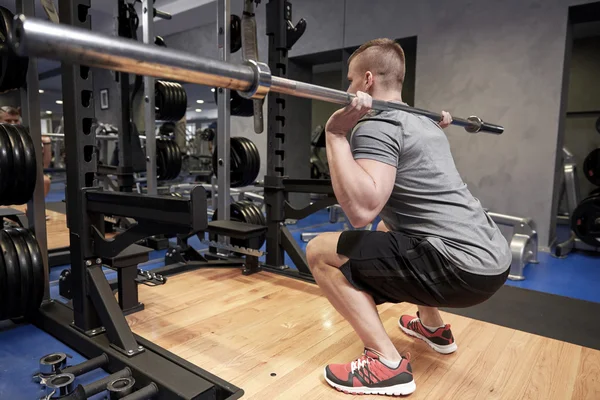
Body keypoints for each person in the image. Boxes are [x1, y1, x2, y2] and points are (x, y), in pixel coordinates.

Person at [305, 38, 511, 396]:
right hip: (493, 259)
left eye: (351, 81)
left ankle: (385, 362)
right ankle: (432, 327)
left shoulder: (378, 125)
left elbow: (360, 212)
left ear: (367, 81)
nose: (348, 89)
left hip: (459, 267)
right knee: (390, 227)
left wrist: (336, 133)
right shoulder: (425, 125)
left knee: (319, 251)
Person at [0, 106, 52, 198]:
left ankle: (30, 210)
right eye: (8, 121)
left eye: (16, 121)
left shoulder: (23, 139)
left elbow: (44, 166)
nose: (13, 124)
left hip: (18, 175)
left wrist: (47, 143)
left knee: (44, 180)